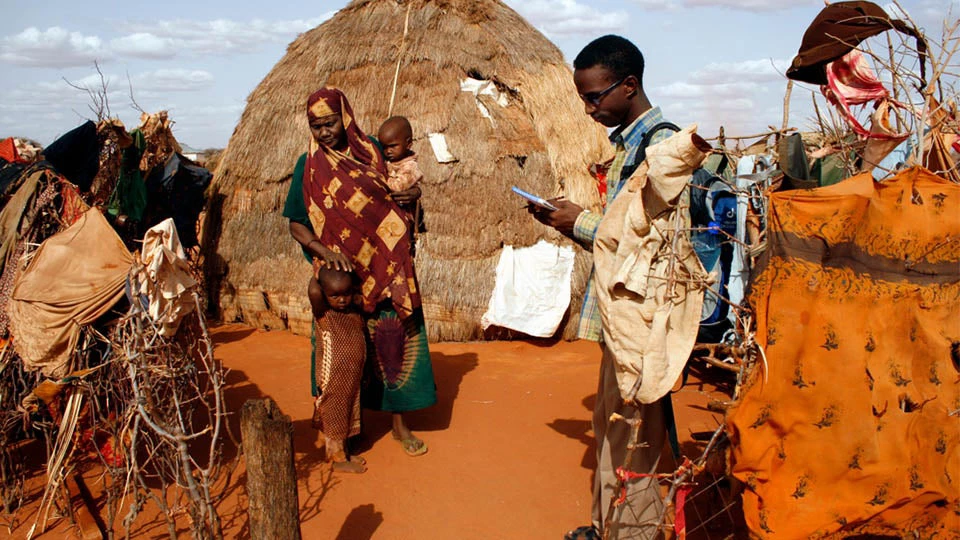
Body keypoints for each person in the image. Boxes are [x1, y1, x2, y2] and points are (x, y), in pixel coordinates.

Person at [529, 35, 680, 540]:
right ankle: (607, 527)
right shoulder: (630, 147)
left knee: (635, 435)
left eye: (595, 97)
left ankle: (632, 534)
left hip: (642, 318)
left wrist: (581, 222)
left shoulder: (661, 147)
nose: (589, 109)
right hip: (622, 316)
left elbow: (654, 239)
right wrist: (570, 223)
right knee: (612, 424)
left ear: (629, 85)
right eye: (583, 99)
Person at [283, 87, 436, 459]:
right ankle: (347, 428)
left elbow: (402, 189)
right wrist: (325, 253)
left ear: (345, 116)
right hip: (342, 277)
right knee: (344, 351)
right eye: (315, 126)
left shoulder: (372, 150)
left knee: (393, 338)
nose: (324, 132)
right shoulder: (310, 165)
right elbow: (297, 224)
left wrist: (414, 197)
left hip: (386, 267)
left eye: (329, 123)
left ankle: (400, 424)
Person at [309, 266, 367, 473]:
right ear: (324, 294)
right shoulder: (324, 313)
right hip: (332, 375)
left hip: (351, 374)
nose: (341, 300)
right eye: (334, 295)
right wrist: (318, 274)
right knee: (334, 410)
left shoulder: (353, 311)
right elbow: (314, 292)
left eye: (346, 294)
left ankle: (344, 451)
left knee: (348, 408)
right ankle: (336, 457)